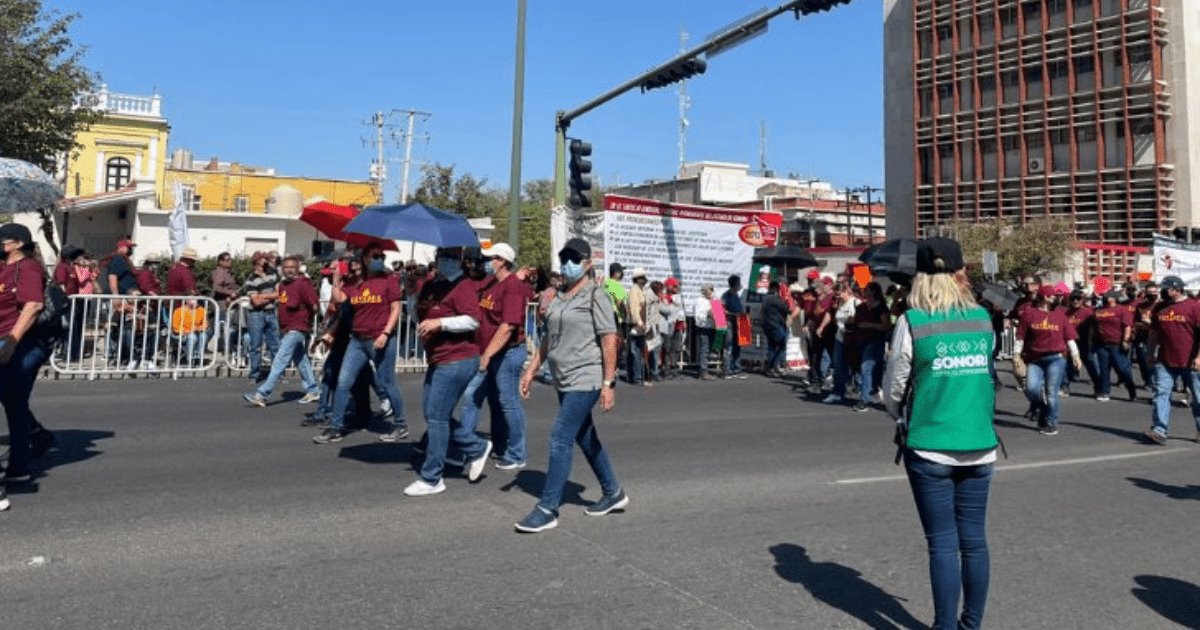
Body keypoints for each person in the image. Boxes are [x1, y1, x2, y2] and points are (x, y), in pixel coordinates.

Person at [881, 237, 998, 630]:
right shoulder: (982, 318)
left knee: (943, 544)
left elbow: (894, 388)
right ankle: (971, 625)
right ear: (959, 272)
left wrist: (902, 415)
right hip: (980, 445)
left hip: (930, 446)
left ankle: (945, 627)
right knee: (974, 542)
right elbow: (986, 371)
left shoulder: (912, 321)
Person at [515, 238, 627, 533]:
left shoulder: (597, 296)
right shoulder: (560, 296)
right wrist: (530, 369)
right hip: (562, 378)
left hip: (586, 377)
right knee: (584, 435)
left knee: (560, 437)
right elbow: (548, 338)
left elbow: (608, 341)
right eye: (564, 258)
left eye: (574, 259)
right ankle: (613, 491)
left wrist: (608, 383)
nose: (567, 263)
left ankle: (547, 507)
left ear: (587, 264)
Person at [404, 247, 490, 496]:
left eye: (451, 257)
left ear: (460, 261)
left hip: (458, 358)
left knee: (437, 417)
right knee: (432, 413)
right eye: (442, 257)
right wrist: (411, 296)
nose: (446, 261)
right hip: (437, 358)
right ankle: (475, 447)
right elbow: (418, 318)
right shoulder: (431, 285)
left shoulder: (463, 287)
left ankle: (432, 477)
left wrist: (441, 323)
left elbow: (474, 320)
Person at [314, 246, 407, 445]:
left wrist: (386, 333)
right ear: (364, 259)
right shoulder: (356, 283)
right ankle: (336, 426)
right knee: (343, 381)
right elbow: (339, 300)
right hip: (357, 341)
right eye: (375, 256)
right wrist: (337, 279)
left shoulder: (388, 281)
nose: (380, 259)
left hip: (380, 339)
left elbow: (396, 307)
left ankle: (400, 424)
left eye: (382, 256)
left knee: (387, 382)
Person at [465, 243, 533, 469]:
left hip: (507, 352)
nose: (485, 262)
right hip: (492, 352)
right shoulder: (493, 283)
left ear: (502, 260)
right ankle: (496, 445)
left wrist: (487, 354)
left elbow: (508, 326)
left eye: (490, 258)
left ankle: (516, 454)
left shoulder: (511, 286)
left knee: (508, 403)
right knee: (489, 400)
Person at [0, 223, 51, 503]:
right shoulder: (4, 266)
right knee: (15, 404)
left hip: (15, 344)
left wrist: (11, 342)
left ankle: (19, 468)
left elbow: (33, 305)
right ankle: (20, 468)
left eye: (3, 240)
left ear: (17, 242)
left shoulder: (28, 267)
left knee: (14, 402)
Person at [243, 255, 320, 407]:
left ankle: (262, 394)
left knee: (279, 360)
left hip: (298, 328)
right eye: (286, 267)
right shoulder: (283, 285)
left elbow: (315, 305)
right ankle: (313, 390)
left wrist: (308, 322)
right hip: (287, 327)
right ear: (282, 269)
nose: (289, 270)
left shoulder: (303, 283)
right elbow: (283, 303)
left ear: (298, 268)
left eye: (292, 267)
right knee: (301, 360)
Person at [1016, 285, 1082, 435]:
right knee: (1031, 389)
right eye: (1052, 296)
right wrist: (1016, 355)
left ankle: (1050, 423)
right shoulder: (1029, 314)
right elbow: (1020, 336)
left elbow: (1069, 337)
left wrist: (1075, 355)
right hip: (1035, 358)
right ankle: (1043, 408)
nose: (1055, 298)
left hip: (1056, 358)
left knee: (1052, 393)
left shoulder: (1060, 315)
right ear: (1044, 297)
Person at [1143, 275, 1200, 445]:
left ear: (1176, 289)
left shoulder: (1194, 307)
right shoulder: (1160, 307)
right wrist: (1150, 353)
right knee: (1161, 393)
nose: (1163, 292)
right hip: (1165, 361)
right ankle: (1159, 430)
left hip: (1190, 362)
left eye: (1166, 289)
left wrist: (1199, 357)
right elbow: (1153, 332)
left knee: (1198, 398)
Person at [1091, 290, 1138, 402]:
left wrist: (1126, 340)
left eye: (1110, 297)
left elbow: (1127, 326)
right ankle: (1104, 392)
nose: (1108, 299)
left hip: (1117, 344)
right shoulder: (1098, 310)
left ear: (1114, 298)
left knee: (1122, 368)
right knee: (1104, 369)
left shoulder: (1122, 310)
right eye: (1106, 297)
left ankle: (1131, 389)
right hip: (1102, 344)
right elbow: (1094, 327)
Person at [853, 281, 892, 412]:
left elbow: (886, 325)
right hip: (862, 340)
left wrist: (869, 325)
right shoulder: (862, 306)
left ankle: (864, 399)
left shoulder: (881, 307)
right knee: (876, 368)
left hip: (875, 341)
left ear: (873, 291)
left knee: (866, 367)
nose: (864, 292)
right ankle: (875, 389)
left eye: (867, 289)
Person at [243, 252, 281, 382]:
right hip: (256, 314)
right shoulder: (251, 279)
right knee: (255, 346)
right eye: (264, 258)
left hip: (271, 313)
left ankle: (278, 375)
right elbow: (255, 302)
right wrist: (273, 296)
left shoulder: (273, 274)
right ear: (257, 261)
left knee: (275, 346)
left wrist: (263, 296)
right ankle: (254, 375)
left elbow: (282, 295)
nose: (267, 260)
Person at [625, 267, 650, 385]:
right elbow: (635, 310)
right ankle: (637, 378)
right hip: (636, 326)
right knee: (636, 353)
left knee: (638, 353)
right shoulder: (634, 291)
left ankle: (637, 377)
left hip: (640, 326)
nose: (645, 279)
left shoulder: (641, 291)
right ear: (637, 279)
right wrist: (640, 323)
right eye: (642, 277)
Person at [762, 280, 791, 377]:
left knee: (772, 347)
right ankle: (773, 366)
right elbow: (787, 309)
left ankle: (771, 368)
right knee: (781, 346)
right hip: (775, 325)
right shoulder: (775, 298)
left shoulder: (765, 298)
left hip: (767, 325)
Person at [722, 274, 748, 379]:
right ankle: (727, 370)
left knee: (738, 345)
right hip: (729, 323)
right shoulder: (725, 295)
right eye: (739, 283)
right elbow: (720, 310)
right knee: (728, 346)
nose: (740, 285)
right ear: (734, 284)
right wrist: (732, 314)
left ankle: (736, 368)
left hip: (740, 322)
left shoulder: (737, 295)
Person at [693, 284, 719, 380]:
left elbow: (719, 316)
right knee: (704, 350)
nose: (712, 291)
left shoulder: (714, 300)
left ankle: (709, 369)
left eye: (712, 289)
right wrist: (708, 313)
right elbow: (698, 317)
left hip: (714, 328)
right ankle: (703, 372)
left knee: (711, 350)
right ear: (704, 291)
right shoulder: (700, 301)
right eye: (710, 289)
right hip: (704, 328)